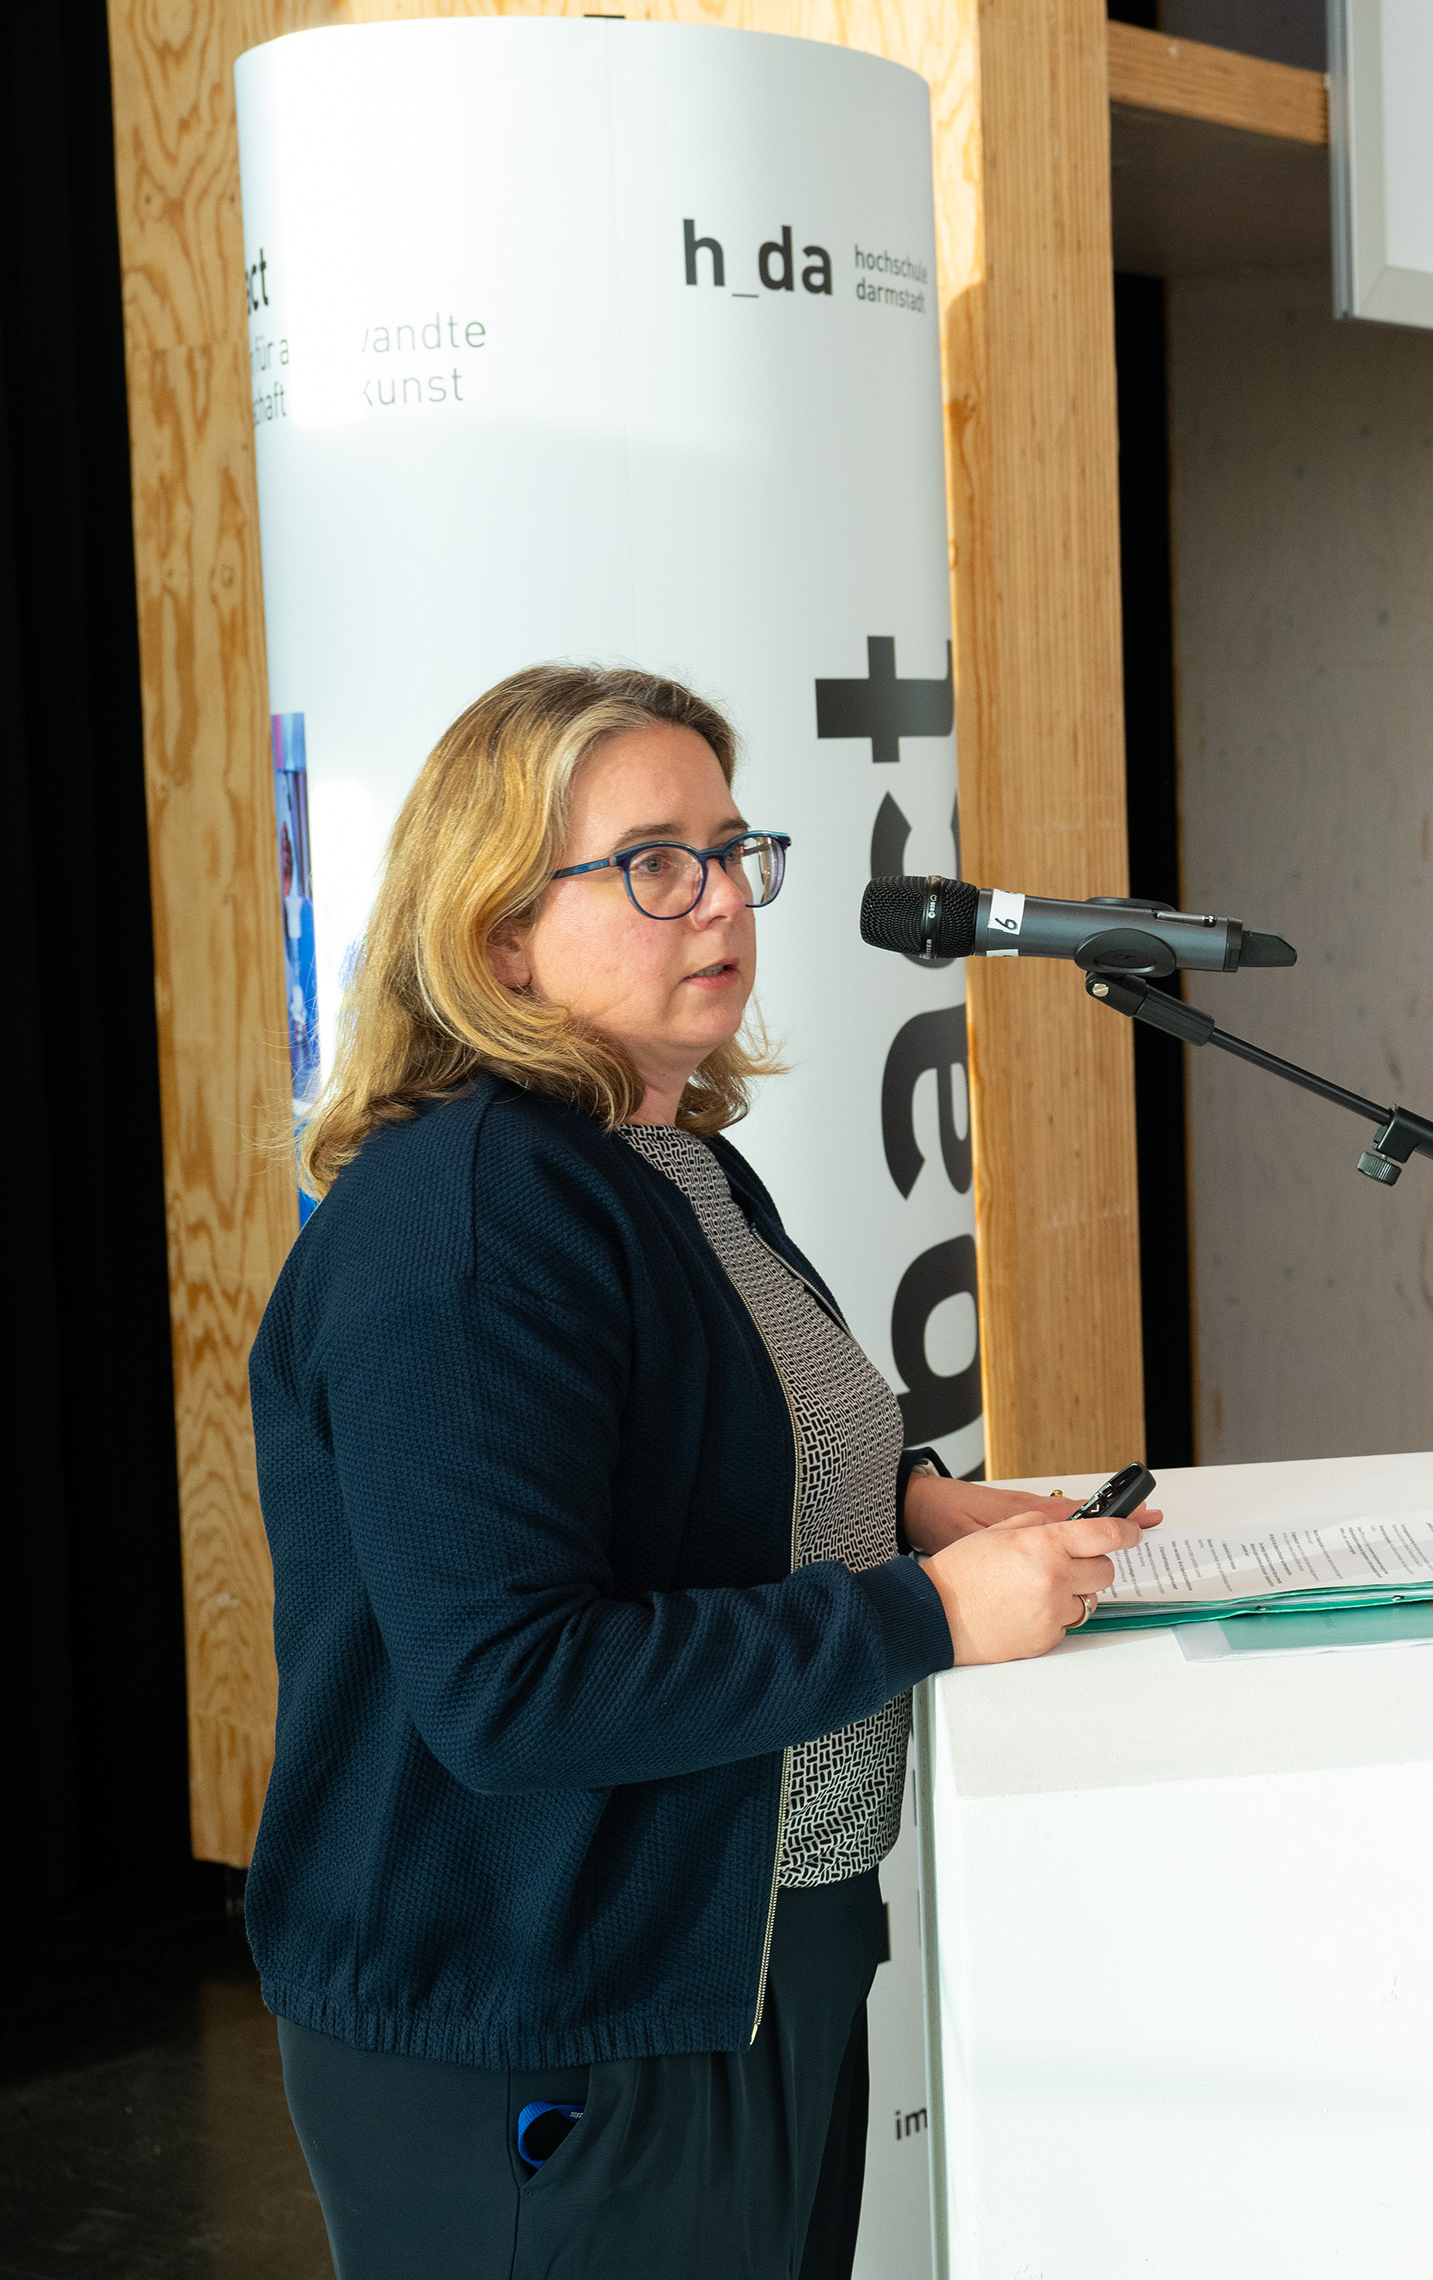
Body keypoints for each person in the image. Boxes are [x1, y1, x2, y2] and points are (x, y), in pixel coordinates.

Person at [248, 666, 1155, 2277]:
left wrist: (906, 1502)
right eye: (655, 861)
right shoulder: (463, 1228)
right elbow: (515, 1685)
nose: (723, 896)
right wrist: (924, 1611)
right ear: (498, 929)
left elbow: (697, 1460)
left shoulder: (672, 1162)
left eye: (735, 850)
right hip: (549, 2007)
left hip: (741, 1950)